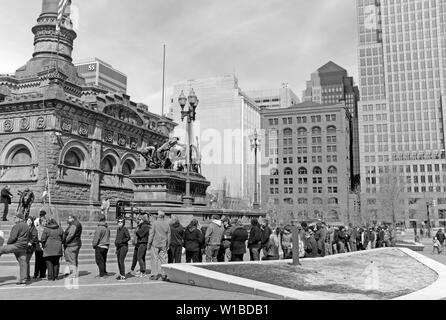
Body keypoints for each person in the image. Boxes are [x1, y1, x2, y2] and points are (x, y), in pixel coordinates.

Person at [0, 213, 30, 285]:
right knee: (23, 262)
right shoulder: (26, 226)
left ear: (19, 219)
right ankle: (23, 279)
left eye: (15, 218)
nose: (14, 219)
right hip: (23, 246)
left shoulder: (17, 226)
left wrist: (8, 244)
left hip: (16, 245)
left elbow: (12, 237)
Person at [148, 211, 171, 281]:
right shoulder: (167, 224)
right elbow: (169, 235)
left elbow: (151, 234)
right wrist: (168, 244)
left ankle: (155, 275)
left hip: (155, 243)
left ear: (158, 216)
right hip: (163, 243)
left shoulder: (154, 223)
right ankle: (164, 274)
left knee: (154, 259)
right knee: (163, 259)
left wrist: (149, 243)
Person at [92, 214, 110, 279]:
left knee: (99, 261)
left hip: (100, 246)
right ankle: (104, 272)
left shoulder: (99, 228)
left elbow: (96, 238)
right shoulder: (107, 227)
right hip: (106, 245)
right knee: (103, 260)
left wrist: (94, 244)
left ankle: (102, 275)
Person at [25, 216, 38, 281]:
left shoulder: (33, 228)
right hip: (24, 246)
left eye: (30, 221)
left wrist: (31, 242)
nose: (29, 222)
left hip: (30, 247)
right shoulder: (24, 227)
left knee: (26, 261)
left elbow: (35, 236)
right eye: (28, 220)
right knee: (25, 261)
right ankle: (25, 275)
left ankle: (27, 276)